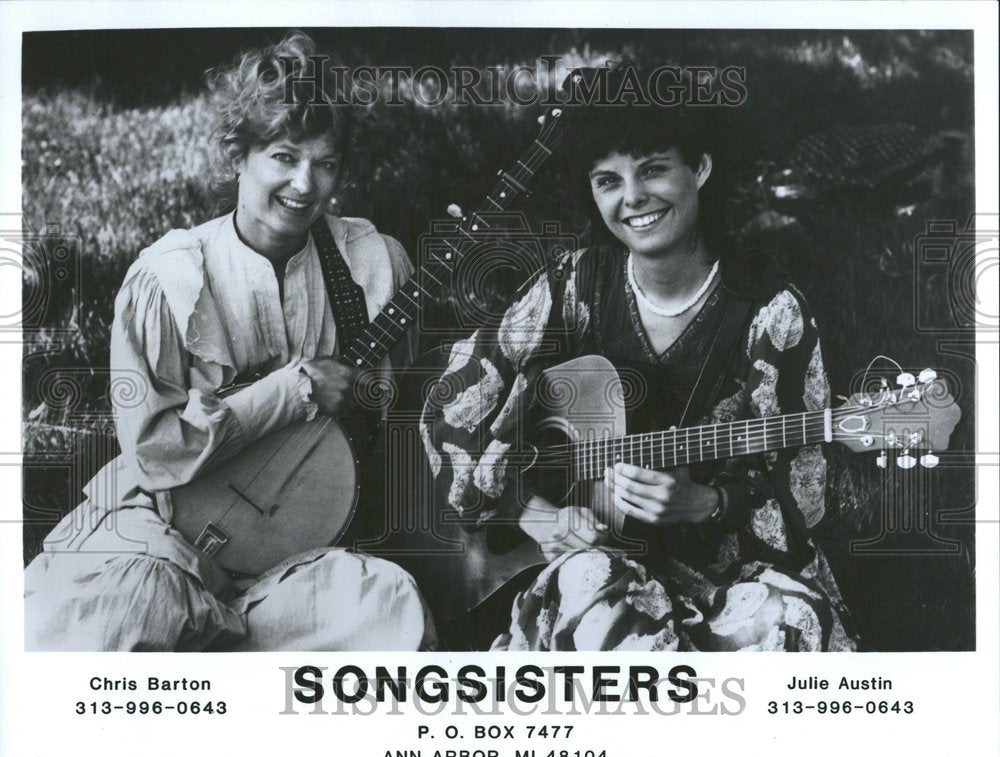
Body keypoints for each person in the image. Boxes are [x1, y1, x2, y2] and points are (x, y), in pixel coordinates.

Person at [24, 32, 436, 651]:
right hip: (164, 529)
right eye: (283, 156)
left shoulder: (374, 264)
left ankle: (222, 648)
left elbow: (403, 415)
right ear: (237, 155)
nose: (305, 183)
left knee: (389, 606)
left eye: (325, 163)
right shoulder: (170, 280)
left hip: (293, 552)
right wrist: (291, 390)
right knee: (132, 607)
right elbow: (156, 454)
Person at [422, 74, 857, 651]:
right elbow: (450, 410)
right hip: (591, 560)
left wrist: (705, 502)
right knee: (592, 592)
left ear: (700, 168)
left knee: (783, 624)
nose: (632, 198)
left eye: (653, 169)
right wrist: (540, 516)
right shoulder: (572, 285)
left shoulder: (771, 314)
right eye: (608, 181)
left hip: (729, 565)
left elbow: (807, 487)